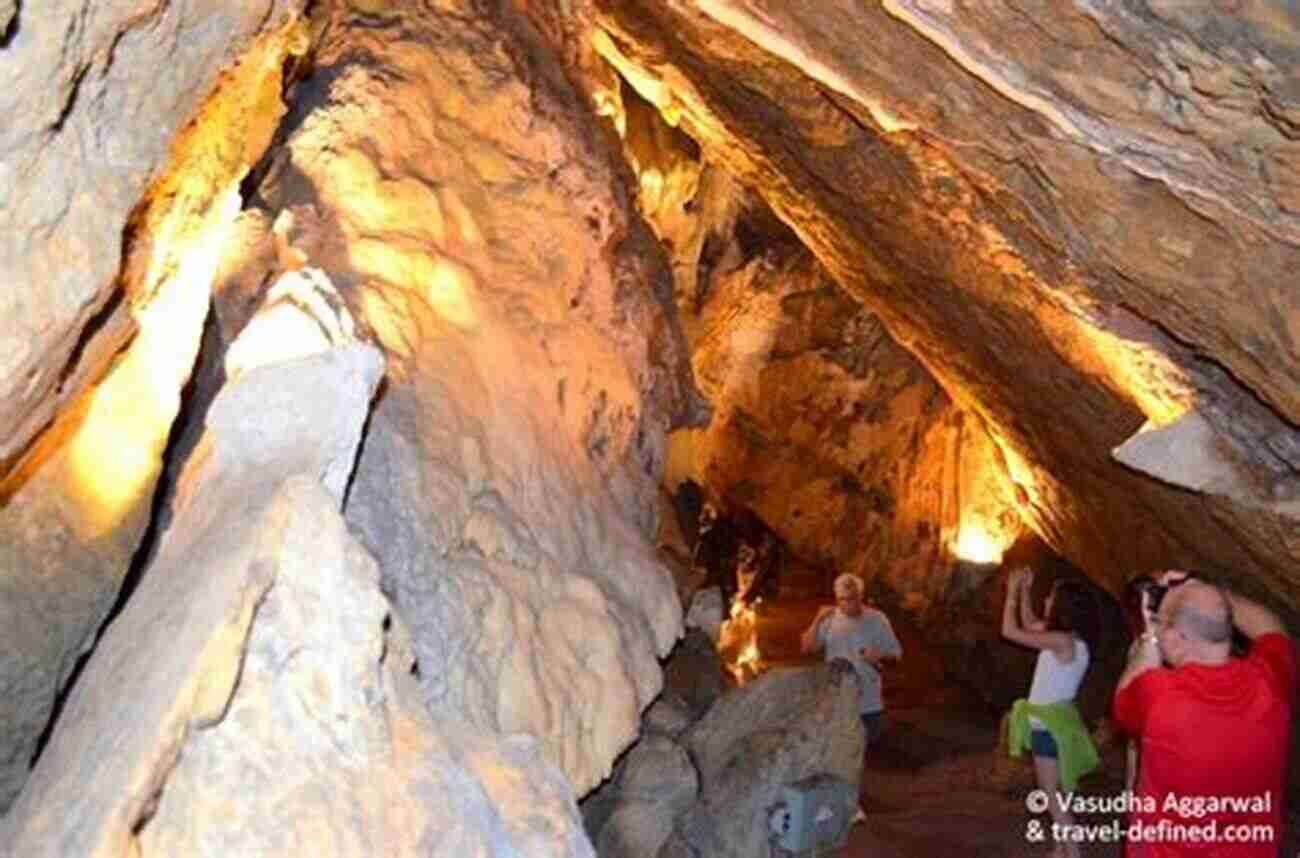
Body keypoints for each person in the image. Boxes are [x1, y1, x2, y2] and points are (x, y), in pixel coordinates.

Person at [1113, 571, 1295, 857]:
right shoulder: (1271, 683)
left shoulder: (1159, 697)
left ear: (1173, 640)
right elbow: (1269, 626)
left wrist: (1150, 634)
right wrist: (1206, 592)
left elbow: (1124, 698)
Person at [1003, 567, 1101, 858]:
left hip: (1049, 726)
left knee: (1050, 792)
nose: (1046, 601)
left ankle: (1073, 851)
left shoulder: (1062, 641)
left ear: (1063, 607)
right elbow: (1031, 623)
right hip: (1059, 722)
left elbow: (1011, 631)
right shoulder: (1071, 640)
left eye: (1050, 598)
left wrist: (1009, 594)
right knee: (1061, 790)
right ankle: (1060, 848)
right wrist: (1024, 591)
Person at [800, 573, 902, 746]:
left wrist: (880, 655)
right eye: (842, 599)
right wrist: (817, 620)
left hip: (868, 703)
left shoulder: (877, 620)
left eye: (852, 599)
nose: (847, 604)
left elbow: (897, 654)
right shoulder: (830, 619)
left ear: (861, 596)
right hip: (837, 701)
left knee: (869, 749)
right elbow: (807, 648)